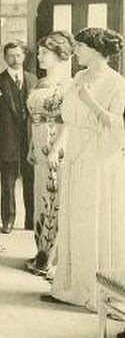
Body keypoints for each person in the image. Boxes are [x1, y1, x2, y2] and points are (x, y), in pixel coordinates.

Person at [47, 28, 125, 310]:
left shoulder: (117, 82)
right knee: (75, 216)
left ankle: (95, 288)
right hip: (76, 154)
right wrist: (57, 147)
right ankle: (73, 284)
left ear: (94, 50)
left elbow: (116, 127)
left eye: (79, 46)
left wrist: (90, 102)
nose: (76, 51)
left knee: (92, 217)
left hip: (99, 157)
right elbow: (69, 120)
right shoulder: (79, 77)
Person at [25, 32, 74, 277]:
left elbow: (70, 122)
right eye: (41, 52)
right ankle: (42, 251)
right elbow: (33, 119)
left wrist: (56, 148)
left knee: (54, 199)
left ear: (60, 55)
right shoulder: (40, 83)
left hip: (57, 146)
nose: (40, 57)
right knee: (40, 197)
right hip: (39, 143)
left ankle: (52, 257)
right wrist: (31, 147)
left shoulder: (70, 84)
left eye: (46, 53)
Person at [0, 41, 37, 234]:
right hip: (6, 140)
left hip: (29, 140)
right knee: (8, 182)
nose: (15, 59)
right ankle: (8, 220)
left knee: (30, 181)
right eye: (11, 55)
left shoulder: (33, 79)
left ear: (24, 56)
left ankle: (30, 221)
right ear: (5, 57)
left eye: (18, 55)